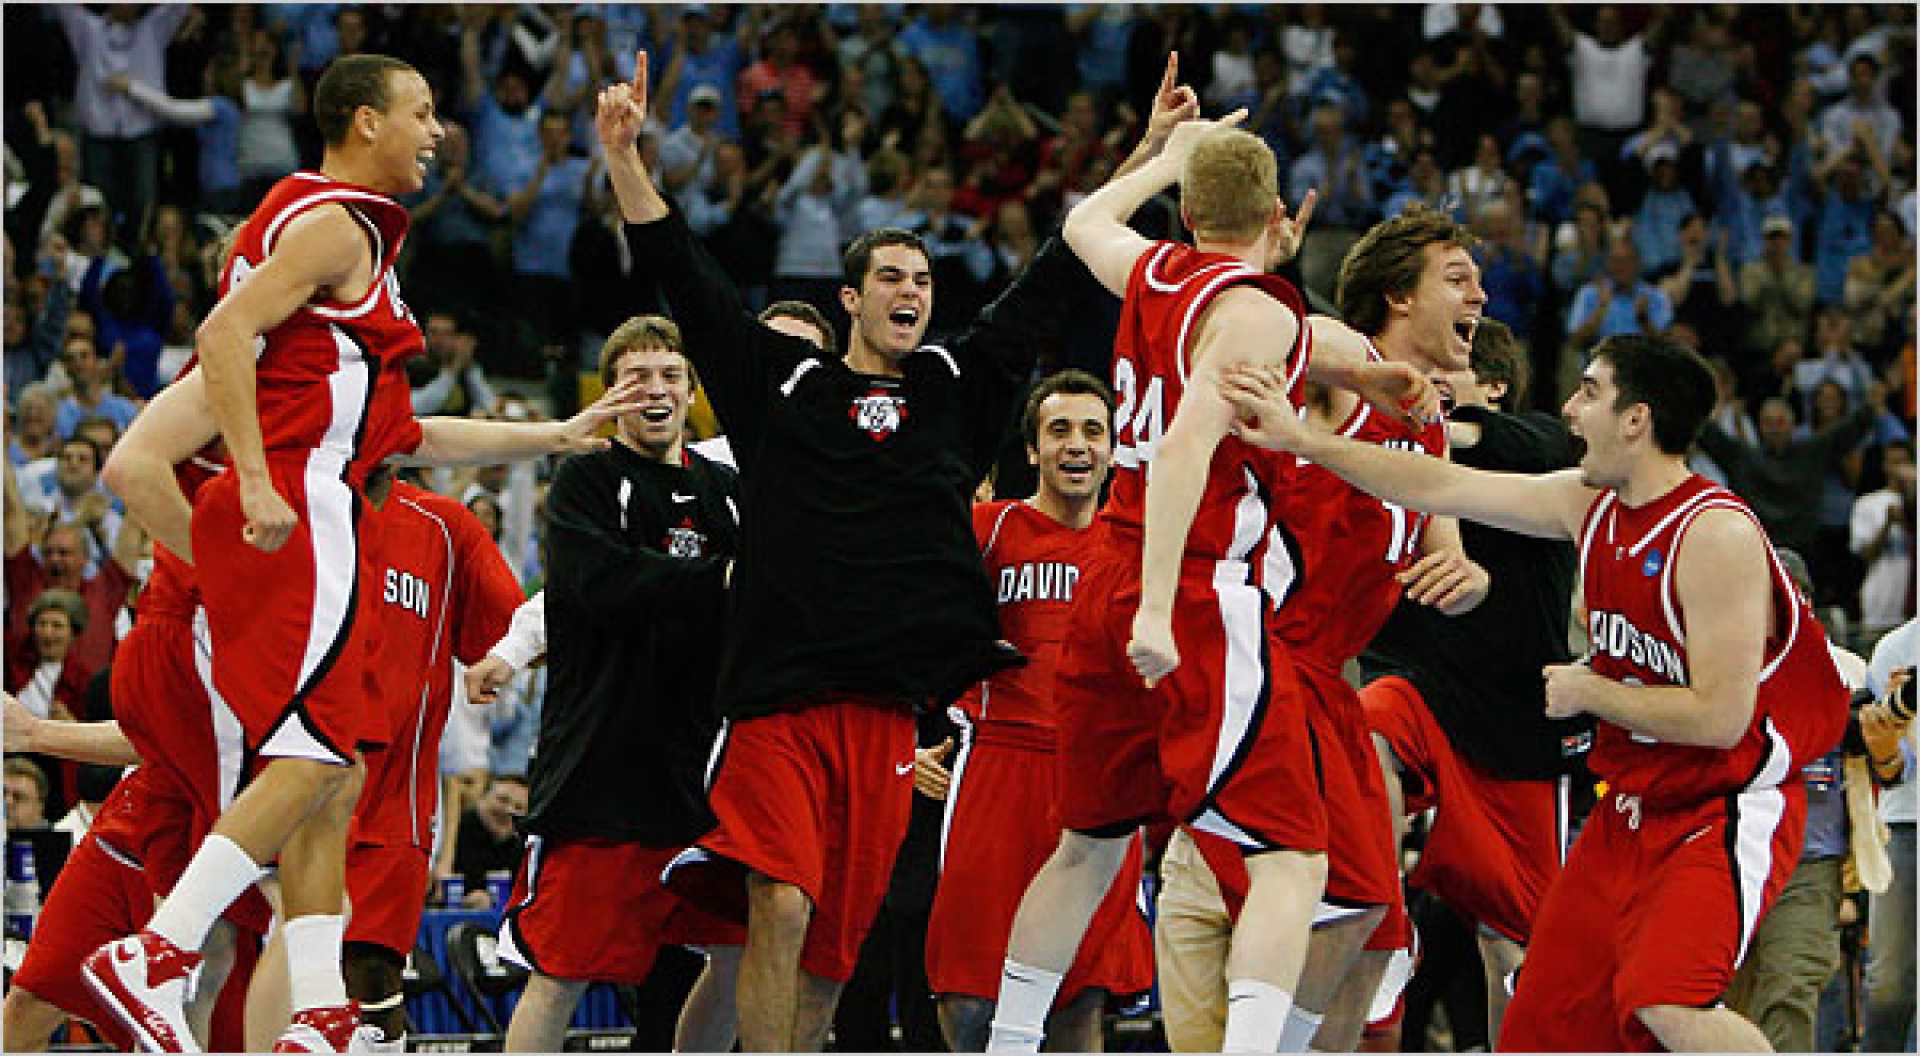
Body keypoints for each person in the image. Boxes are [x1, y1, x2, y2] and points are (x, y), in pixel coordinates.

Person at [81, 54, 639, 1055]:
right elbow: (219, 337)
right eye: (422, 114)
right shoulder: (338, 221)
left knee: (328, 777)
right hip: (305, 506)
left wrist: (553, 436)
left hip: (304, 497)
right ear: (365, 120)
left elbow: (405, 436)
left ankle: (317, 1010)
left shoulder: (308, 240)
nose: (439, 133)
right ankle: (157, 954)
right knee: (321, 757)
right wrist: (252, 481)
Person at [593, 51, 1111, 1052]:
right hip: (781, 699)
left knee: (834, 955)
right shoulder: (782, 382)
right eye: (890, 278)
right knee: (778, 908)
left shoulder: (956, 387)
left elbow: (1048, 282)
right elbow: (689, 281)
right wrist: (626, 157)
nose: (909, 291)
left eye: (921, 279)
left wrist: (1135, 165)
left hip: (885, 717)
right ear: (851, 299)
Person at [1222, 334, 1852, 1051]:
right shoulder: (1588, 504)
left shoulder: (1714, 534)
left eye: (1589, 391)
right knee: (1537, 1026)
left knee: (1667, 1002)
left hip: (1726, 804)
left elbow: (1719, 717)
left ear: (1636, 419)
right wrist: (1303, 439)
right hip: (1635, 806)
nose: (1569, 409)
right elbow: (1433, 485)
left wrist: (1595, 690)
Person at [987, 100, 1378, 1049]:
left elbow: (1084, 223)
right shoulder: (1255, 309)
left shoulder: (1155, 268)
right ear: (1280, 213)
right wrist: (1159, 613)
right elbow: (1183, 451)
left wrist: (1171, 156)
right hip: (1193, 584)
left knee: (1087, 847)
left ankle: (1009, 1041)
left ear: (1191, 214)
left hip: (1107, 569)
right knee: (1292, 857)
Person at [1170, 203, 1497, 1053]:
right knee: (1316, 900)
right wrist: (1266, 262)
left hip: (1327, 683)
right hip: (1255, 659)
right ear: (1395, 297)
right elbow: (1285, 331)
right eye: (1457, 280)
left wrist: (1466, 576)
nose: (1481, 296)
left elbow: (1447, 544)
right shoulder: (1332, 378)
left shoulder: (1429, 426)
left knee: (1374, 926)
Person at [490, 315, 741, 1053]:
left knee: (734, 957)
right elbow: (600, 584)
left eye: (669, 376)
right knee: (561, 970)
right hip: (602, 771)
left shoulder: (730, 492)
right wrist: (722, 580)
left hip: (705, 773)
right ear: (612, 394)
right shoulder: (586, 480)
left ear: (692, 391)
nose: (655, 390)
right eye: (636, 378)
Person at [1356, 318, 1589, 1041]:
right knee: (1366, 728)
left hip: (1514, 731)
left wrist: (1404, 430)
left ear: (1493, 386)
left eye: (1447, 387)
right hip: (1420, 690)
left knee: (1513, 950)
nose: (1430, 398)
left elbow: (1471, 441)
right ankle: (1372, 913)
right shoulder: (1387, 453)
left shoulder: (1544, 447)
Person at [924, 369, 1152, 1051]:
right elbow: (909, 623)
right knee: (969, 993)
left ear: (1115, 449)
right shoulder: (989, 529)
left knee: (1080, 995)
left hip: (1101, 777)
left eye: (1092, 431)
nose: (1076, 445)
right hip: (1000, 765)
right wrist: (913, 738)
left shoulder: (1140, 546)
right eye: (1059, 430)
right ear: (1032, 450)